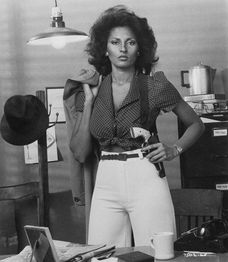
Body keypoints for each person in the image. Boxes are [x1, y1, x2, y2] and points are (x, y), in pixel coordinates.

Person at [64, 5, 205, 247]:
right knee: (101, 256)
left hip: (146, 177)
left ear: (139, 49)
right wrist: (89, 102)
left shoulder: (155, 86)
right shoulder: (91, 92)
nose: (122, 48)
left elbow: (196, 124)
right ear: (104, 49)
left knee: (157, 253)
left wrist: (174, 149)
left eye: (130, 42)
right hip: (106, 181)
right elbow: (79, 152)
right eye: (115, 42)